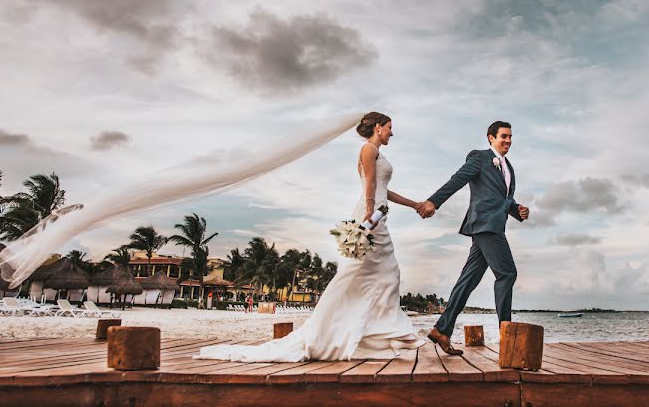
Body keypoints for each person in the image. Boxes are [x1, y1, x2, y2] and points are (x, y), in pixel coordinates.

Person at [197, 112, 426, 362]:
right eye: (390, 127)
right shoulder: (368, 150)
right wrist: (369, 214)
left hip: (377, 216)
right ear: (378, 127)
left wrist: (414, 204)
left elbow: (383, 189)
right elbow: (369, 184)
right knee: (376, 274)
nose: (392, 132)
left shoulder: (376, 153)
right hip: (370, 219)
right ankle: (376, 332)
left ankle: (374, 335)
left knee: (379, 275)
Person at [416, 121, 530, 355]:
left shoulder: (509, 168)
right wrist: (433, 201)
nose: (508, 141)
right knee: (507, 273)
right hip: (485, 226)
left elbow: (502, 199)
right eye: (503, 137)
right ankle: (507, 336)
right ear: (490, 138)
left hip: (492, 225)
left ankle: (442, 330)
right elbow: (457, 179)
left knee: (467, 281)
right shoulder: (479, 157)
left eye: (511, 137)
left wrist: (516, 209)